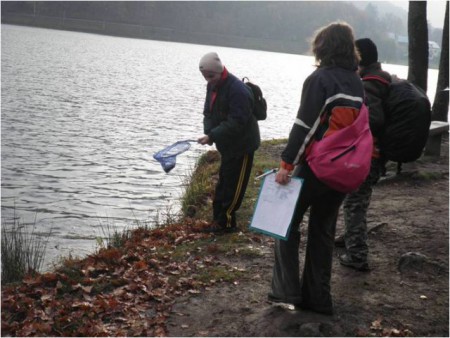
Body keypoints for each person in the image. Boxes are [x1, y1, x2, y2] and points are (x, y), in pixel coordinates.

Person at [268, 22, 364, 316]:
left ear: (322, 46)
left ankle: (286, 292)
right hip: (344, 170)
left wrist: (287, 164)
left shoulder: (319, 79)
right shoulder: (356, 81)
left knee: (283, 224)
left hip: (316, 167)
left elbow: (304, 126)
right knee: (322, 232)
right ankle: (319, 299)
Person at [336, 38, 392, 271]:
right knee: (356, 200)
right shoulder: (382, 78)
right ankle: (350, 237)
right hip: (375, 156)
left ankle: (357, 255)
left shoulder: (370, 84)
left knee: (354, 204)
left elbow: (375, 119)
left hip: (370, 156)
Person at [197, 52, 260, 233]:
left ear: (220, 71)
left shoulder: (238, 90)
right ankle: (218, 220)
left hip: (243, 145)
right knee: (224, 181)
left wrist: (213, 136)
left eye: (211, 76)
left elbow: (237, 122)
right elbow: (208, 112)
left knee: (235, 185)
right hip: (227, 144)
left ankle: (228, 223)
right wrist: (209, 132)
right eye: (205, 77)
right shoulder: (212, 85)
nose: (208, 80)